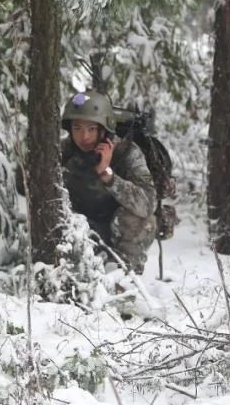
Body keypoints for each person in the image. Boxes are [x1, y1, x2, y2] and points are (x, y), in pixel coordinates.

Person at [60, 91, 157, 273]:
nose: (84, 137)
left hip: (118, 232)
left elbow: (148, 204)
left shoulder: (127, 152)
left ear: (104, 129)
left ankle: (123, 276)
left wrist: (108, 176)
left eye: (91, 129)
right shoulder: (64, 150)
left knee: (143, 220)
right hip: (80, 228)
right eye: (77, 128)